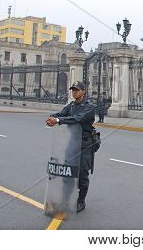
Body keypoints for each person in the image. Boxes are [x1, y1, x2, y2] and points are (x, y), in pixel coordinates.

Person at [45, 81, 95, 213]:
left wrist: (58, 121)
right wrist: (52, 117)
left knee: (82, 173)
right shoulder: (71, 105)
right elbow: (62, 114)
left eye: (77, 90)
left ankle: (80, 201)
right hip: (72, 142)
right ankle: (66, 199)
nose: (74, 92)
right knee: (68, 171)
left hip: (85, 144)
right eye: (72, 90)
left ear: (83, 91)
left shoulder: (89, 107)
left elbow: (77, 119)